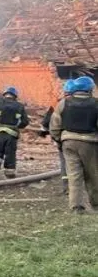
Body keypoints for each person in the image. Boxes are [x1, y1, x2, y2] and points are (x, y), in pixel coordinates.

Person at [50, 75, 98, 212]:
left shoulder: (63, 103)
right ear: (89, 89)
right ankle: (96, 204)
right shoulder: (96, 103)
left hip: (68, 142)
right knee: (93, 174)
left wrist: (59, 139)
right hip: (90, 142)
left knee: (74, 175)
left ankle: (76, 206)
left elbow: (55, 125)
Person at [0, 86, 30, 178]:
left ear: (4, 94)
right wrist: (18, 127)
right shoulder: (19, 106)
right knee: (10, 153)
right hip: (12, 134)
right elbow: (25, 121)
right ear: (15, 96)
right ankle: (9, 173)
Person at [39, 79, 77, 194]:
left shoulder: (57, 104)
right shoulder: (89, 102)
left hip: (64, 139)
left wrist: (49, 135)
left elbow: (46, 123)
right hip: (85, 139)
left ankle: (66, 187)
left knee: (64, 161)